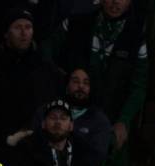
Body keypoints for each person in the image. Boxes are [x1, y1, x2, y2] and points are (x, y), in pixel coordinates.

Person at [44, 0, 149, 151]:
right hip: (71, 115)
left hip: (109, 118)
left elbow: (139, 86)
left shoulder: (136, 35)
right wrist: (59, 77)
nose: (115, 2)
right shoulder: (77, 22)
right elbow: (46, 50)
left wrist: (124, 120)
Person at [0, 8, 63, 164]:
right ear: (6, 33)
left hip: (37, 149)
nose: (24, 32)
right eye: (18, 27)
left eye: (28, 27)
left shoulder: (46, 69)